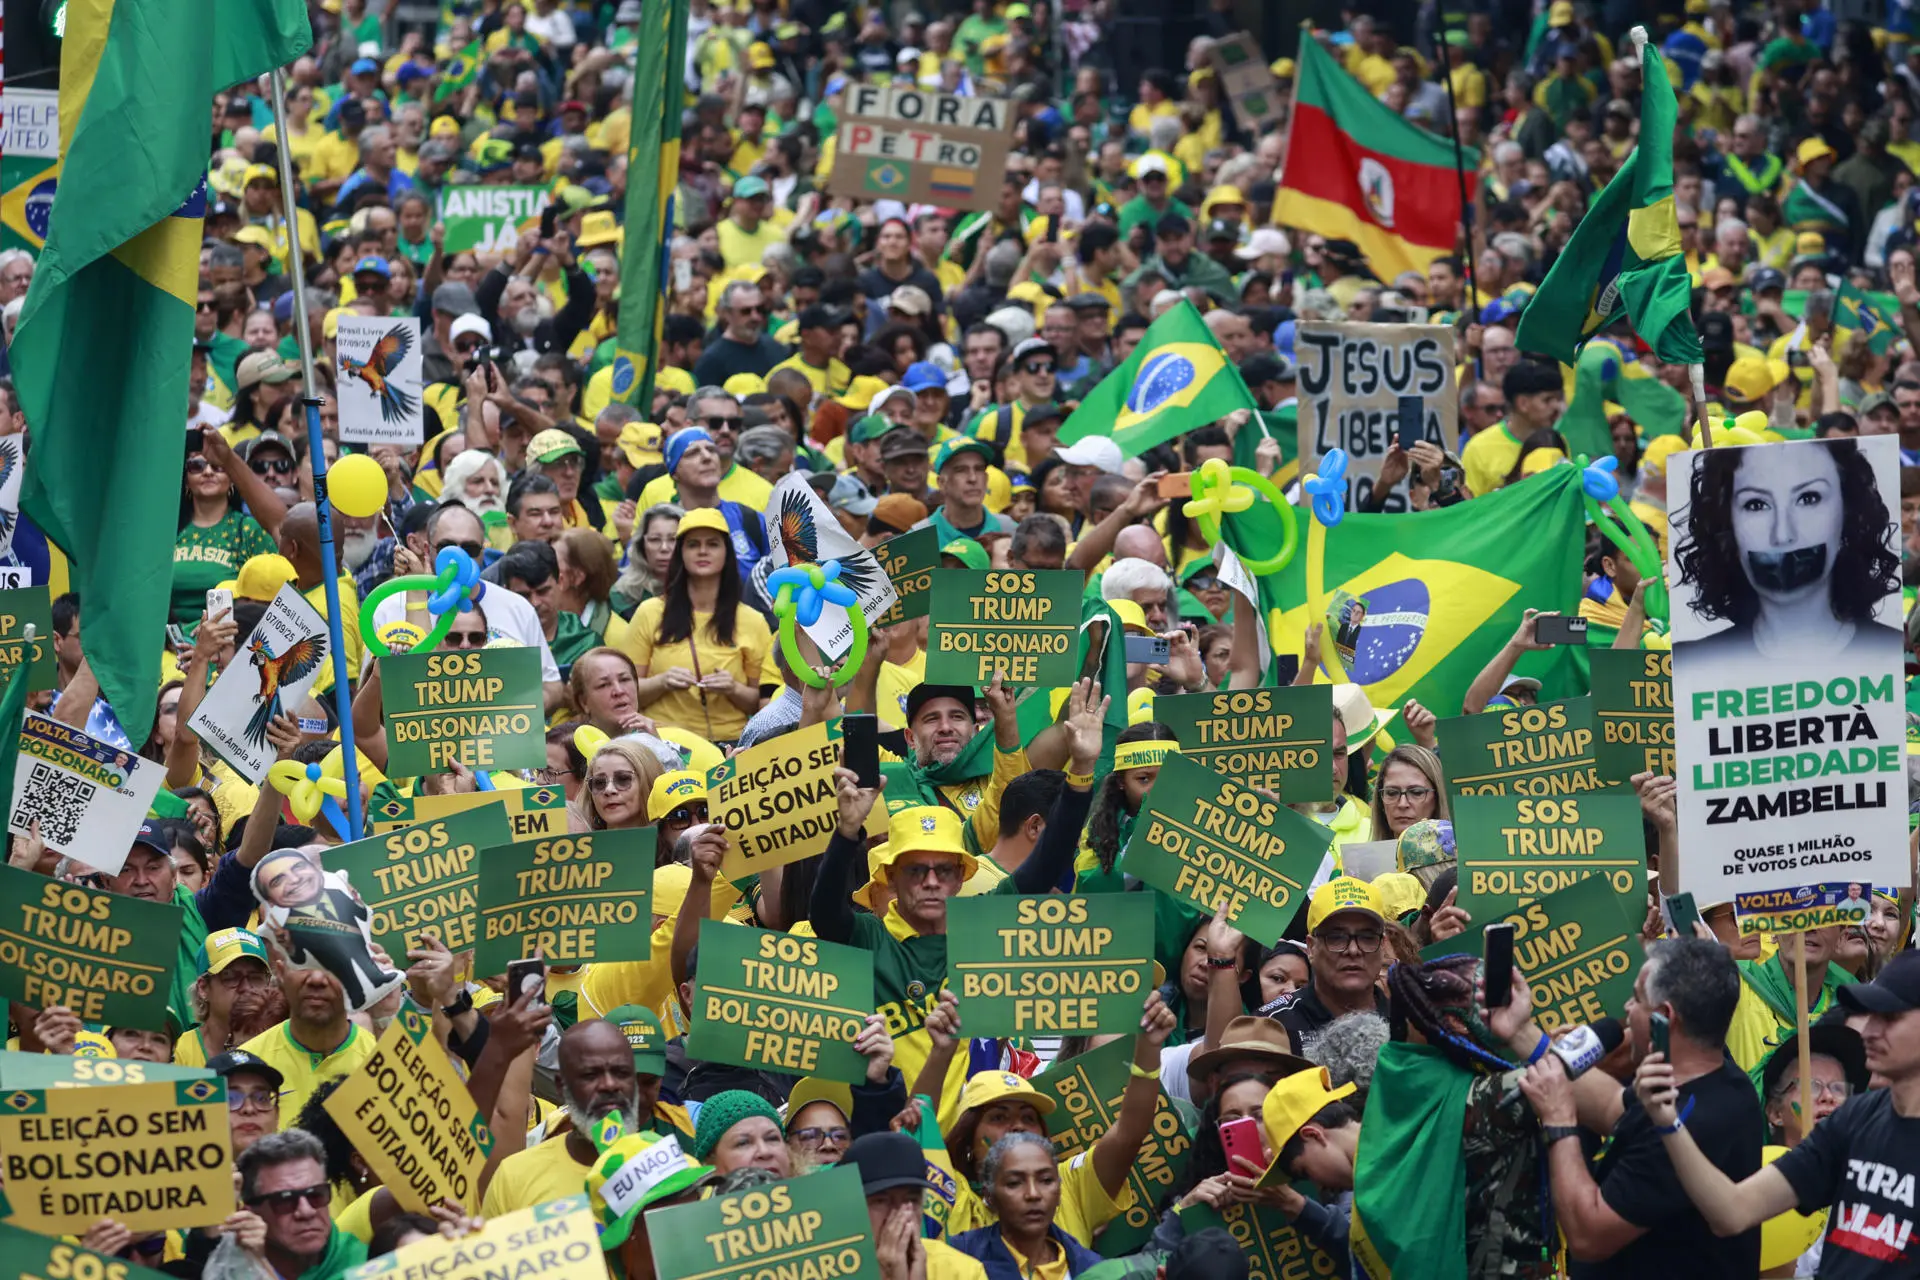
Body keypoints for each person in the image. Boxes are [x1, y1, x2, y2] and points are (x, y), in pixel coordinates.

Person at [1635, 949, 1920, 1280]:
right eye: (1870, 1016)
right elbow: (1733, 1210)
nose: (1869, 1032)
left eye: (1890, 1017)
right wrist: (1668, 1122)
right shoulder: (1855, 1119)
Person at [1523, 936, 1761, 1277]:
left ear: (1665, 1017)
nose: (1627, 1008)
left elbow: (1588, 1234)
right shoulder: (1711, 1085)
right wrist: (1521, 1033)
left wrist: (1559, 1119)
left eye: (1637, 998)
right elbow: (1611, 1107)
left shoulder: (1688, 1124)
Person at [1672, 437, 1902, 662]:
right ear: (1727, 524)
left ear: (1847, 513)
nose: (1782, 535)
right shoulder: (1693, 663)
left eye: (1809, 498)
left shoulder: (1892, 654)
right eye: (1756, 505)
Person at [624, 507, 772, 742]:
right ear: (680, 552)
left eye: (713, 544)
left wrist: (733, 688)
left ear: (727, 552)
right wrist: (661, 682)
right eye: (693, 544)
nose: (703, 551)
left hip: (732, 746)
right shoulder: (649, 612)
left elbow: (764, 701)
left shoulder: (753, 620)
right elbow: (625, 692)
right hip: (664, 742)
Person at [1263, 878, 1391, 1056]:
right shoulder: (1271, 1028)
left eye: (1367, 937)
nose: (1353, 950)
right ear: (1311, 947)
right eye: (1336, 937)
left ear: (1383, 947)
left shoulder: (1411, 1024)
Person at [844, 1131, 991, 1280]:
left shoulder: (962, 1272)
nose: (903, 1214)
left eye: (912, 1200)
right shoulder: (828, 1268)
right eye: (881, 1201)